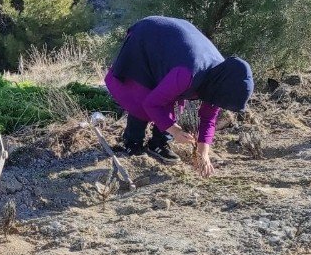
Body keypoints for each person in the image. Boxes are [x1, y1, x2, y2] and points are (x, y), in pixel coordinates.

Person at [104, 16, 254, 178]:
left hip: (175, 49)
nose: (222, 106)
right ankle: (132, 142)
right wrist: (175, 131)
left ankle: (159, 143)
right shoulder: (189, 73)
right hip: (148, 37)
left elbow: (209, 118)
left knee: (168, 93)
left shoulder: (220, 80)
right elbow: (151, 104)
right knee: (143, 94)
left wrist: (203, 154)